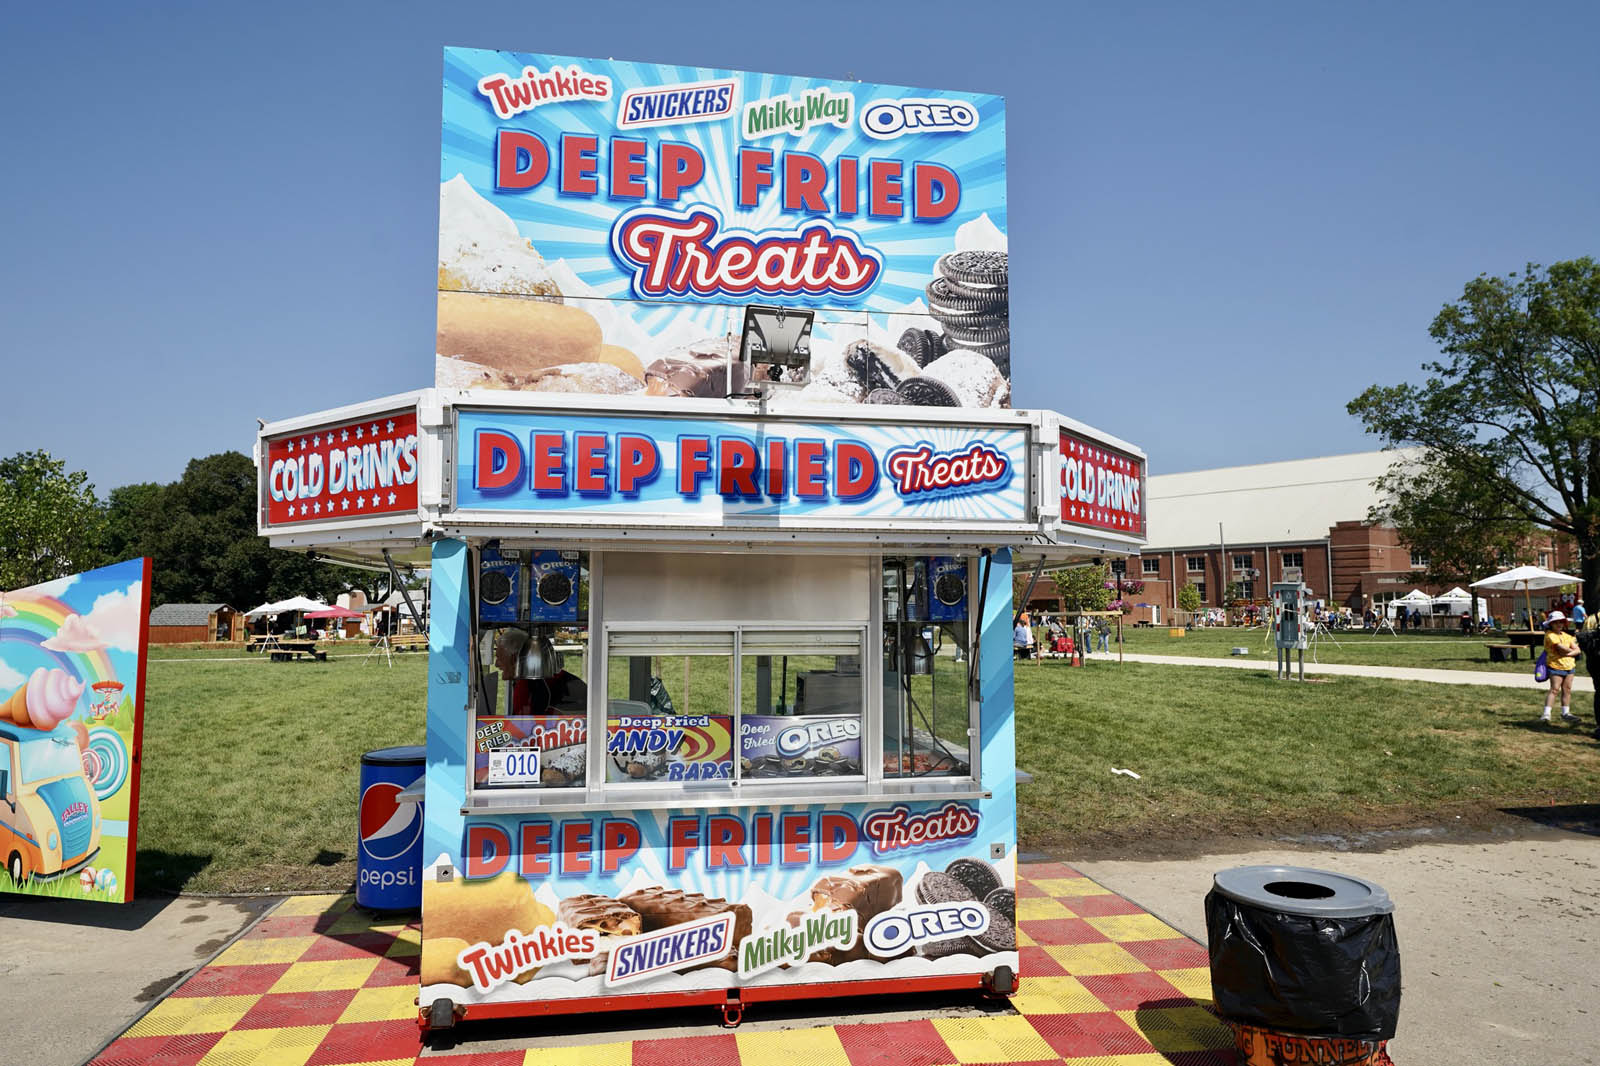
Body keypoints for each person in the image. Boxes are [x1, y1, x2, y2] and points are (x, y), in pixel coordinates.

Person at [1539, 611, 1581, 725]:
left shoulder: (1568, 636)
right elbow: (1560, 648)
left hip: (1569, 666)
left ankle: (1565, 713)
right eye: (1555, 622)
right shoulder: (1550, 635)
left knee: (1567, 690)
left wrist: (1569, 654)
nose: (1559, 624)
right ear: (1550, 624)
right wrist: (1572, 652)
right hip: (1556, 666)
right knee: (1555, 689)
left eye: (1561, 622)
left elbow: (1578, 650)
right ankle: (1546, 714)